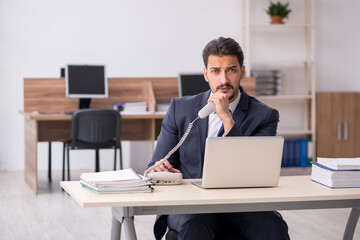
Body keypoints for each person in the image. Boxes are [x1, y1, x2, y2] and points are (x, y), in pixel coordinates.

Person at [147, 37, 290, 240]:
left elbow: (253, 171)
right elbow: (156, 163)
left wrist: (227, 119)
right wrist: (161, 169)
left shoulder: (265, 116)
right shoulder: (181, 109)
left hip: (240, 205)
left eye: (231, 70)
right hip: (192, 205)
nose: (223, 80)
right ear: (206, 74)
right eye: (215, 71)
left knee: (273, 226)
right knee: (195, 225)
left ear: (242, 71)